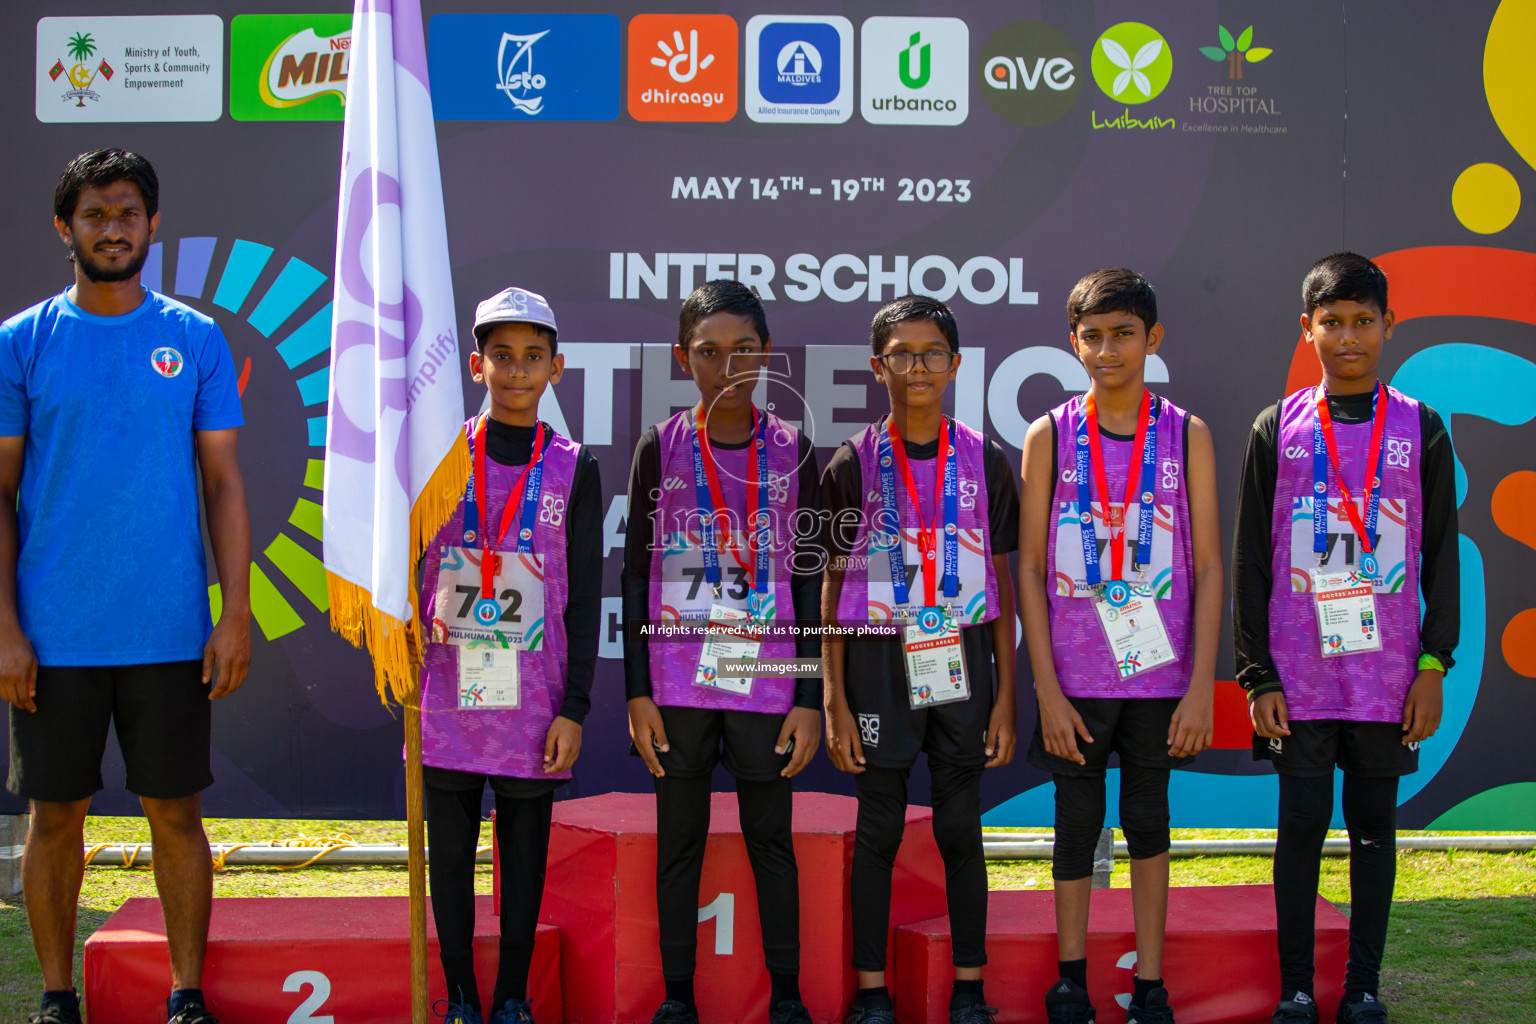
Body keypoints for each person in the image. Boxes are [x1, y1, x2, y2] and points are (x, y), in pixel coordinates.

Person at [0, 149, 250, 1024]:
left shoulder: (194, 339)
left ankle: (187, 996)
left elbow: (222, 484)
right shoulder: (21, 343)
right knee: (54, 821)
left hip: (171, 630)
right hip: (53, 633)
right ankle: (58, 1000)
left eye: (130, 212)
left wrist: (235, 615)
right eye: (96, 213)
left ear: (153, 225)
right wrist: (5, 629)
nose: (114, 228)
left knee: (175, 818)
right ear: (64, 226)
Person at [1232, 253, 1458, 1024]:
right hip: (1298, 680)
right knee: (1299, 828)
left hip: (1387, 679)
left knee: (1372, 831)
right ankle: (1298, 986)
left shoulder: (1421, 426)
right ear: (1309, 329)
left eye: (1364, 321)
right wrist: (1257, 675)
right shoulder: (1278, 425)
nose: (1349, 336)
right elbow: (1251, 559)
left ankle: (1363, 987)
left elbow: (1440, 555)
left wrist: (1434, 662)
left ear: (1389, 326)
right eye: (1333, 322)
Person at [1017, 268, 1221, 1024]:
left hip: (1160, 680)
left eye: (1123, 334)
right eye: (1093, 336)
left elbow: (1207, 566)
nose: (1108, 350)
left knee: (1148, 823)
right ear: (1074, 343)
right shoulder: (1050, 434)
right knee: (1074, 826)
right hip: (1073, 680)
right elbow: (1031, 568)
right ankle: (1071, 978)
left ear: (1153, 338)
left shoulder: (1186, 433)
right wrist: (1046, 688)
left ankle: (1151, 984)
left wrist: (1201, 685)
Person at [622, 280, 822, 1024]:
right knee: (680, 844)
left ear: (767, 355)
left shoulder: (792, 449)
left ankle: (790, 998)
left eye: (744, 350)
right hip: (676, 686)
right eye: (709, 352)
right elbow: (636, 571)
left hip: (766, 685)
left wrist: (808, 695)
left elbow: (807, 581)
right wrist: (636, 691)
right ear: (684, 359)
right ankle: (677, 998)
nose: (728, 366)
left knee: (772, 841)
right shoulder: (661, 446)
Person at [821, 295, 1019, 1024]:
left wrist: (1006, 697)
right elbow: (829, 585)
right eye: (901, 353)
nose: (917, 366)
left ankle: (970, 988)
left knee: (959, 829)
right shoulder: (851, 462)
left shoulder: (985, 460)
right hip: (877, 667)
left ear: (956, 364)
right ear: (878, 367)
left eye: (931, 351)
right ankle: (871, 993)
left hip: (962, 664)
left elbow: (1001, 585)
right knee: (878, 830)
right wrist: (834, 699)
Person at [418, 286, 602, 1024]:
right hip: (445, 696)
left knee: (524, 860)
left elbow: (585, 597)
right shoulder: (437, 457)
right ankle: (460, 996)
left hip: (534, 704)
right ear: (475, 365)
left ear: (557, 368)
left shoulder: (574, 466)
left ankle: (513, 997)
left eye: (532, 357)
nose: (516, 371)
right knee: (453, 861)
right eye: (502, 357)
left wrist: (575, 708)